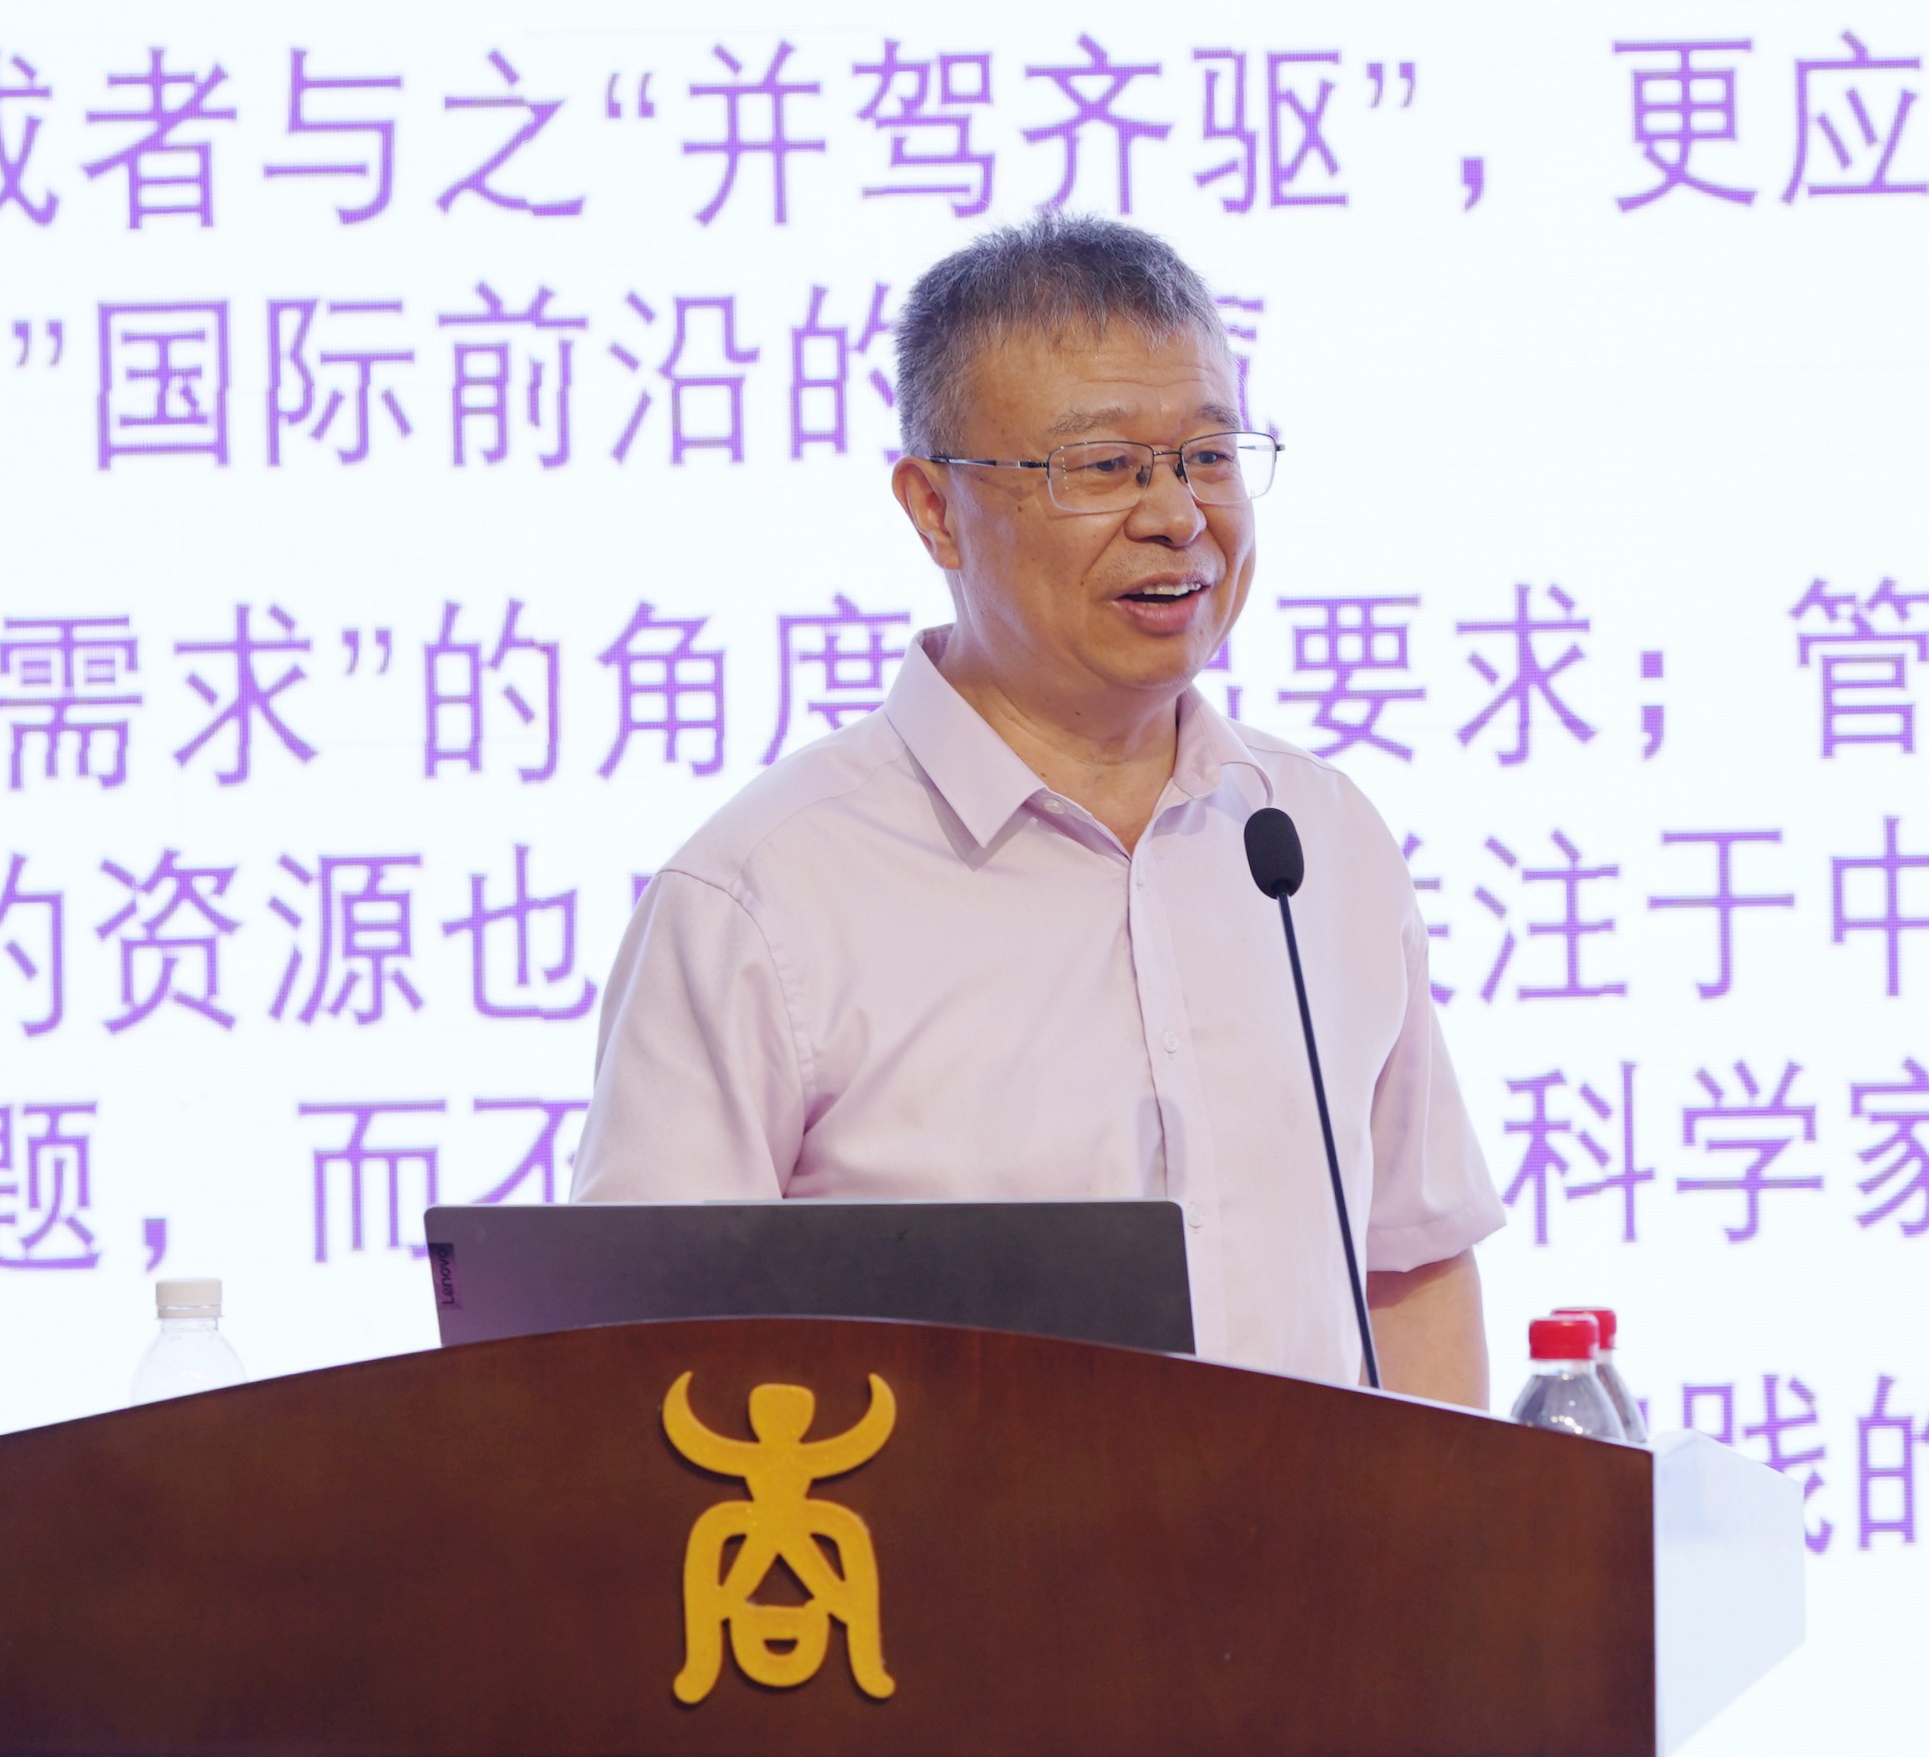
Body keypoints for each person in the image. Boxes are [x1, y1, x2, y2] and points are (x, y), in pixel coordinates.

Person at [571, 217, 1502, 1404]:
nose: (1177, 515)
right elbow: (637, 1364)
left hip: (1308, 1533)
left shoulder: (1314, 837)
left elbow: (1408, 1265)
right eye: (1102, 466)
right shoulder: (761, 896)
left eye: (1208, 455)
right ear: (933, 508)